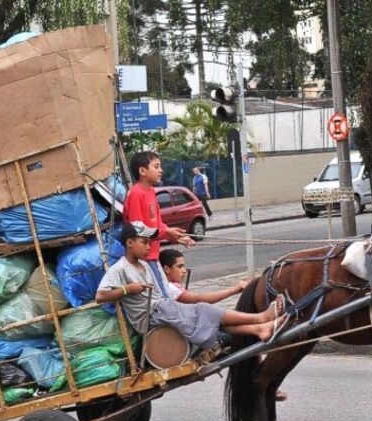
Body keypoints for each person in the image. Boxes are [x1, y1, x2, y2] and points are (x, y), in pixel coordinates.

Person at [96, 222, 284, 351]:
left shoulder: (145, 264)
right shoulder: (119, 269)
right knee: (203, 310)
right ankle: (259, 318)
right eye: (144, 242)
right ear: (129, 243)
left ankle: (258, 329)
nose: (148, 247)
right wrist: (129, 289)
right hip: (151, 316)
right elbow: (101, 296)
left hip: (162, 308)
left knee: (209, 320)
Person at [159, 247, 289, 401]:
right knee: (228, 327)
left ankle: (260, 328)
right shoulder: (170, 288)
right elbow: (201, 300)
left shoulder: (174, 286)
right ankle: (261, 380)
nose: (184, 271)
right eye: (179, 266)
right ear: (166, 269)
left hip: (193, 328)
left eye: (184, 266)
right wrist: (234, 289)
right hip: (188, 336)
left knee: (229, 326)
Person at [123, 151, 194, 298]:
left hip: (153, 255)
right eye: (156, 166)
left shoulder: (150, 192)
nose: (161, 170)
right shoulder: (137, 194)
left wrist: (176, 237)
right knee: (163, 298)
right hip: (145, 258)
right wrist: (166, 233)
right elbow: (137, 230)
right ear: (142, 171)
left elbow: (158, 223)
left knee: (165, 295)